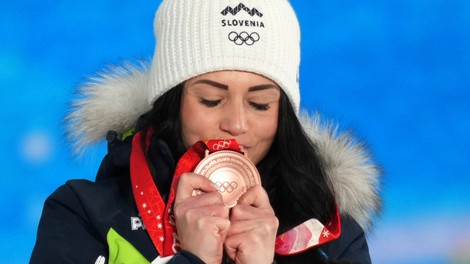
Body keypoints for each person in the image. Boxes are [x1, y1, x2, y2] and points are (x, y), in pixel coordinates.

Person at [31, 0, 382, 263]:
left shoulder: (330, 235)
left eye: (260, 105)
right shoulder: (81, 213)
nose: (236, 123)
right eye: (211, 99)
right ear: (173, 102)